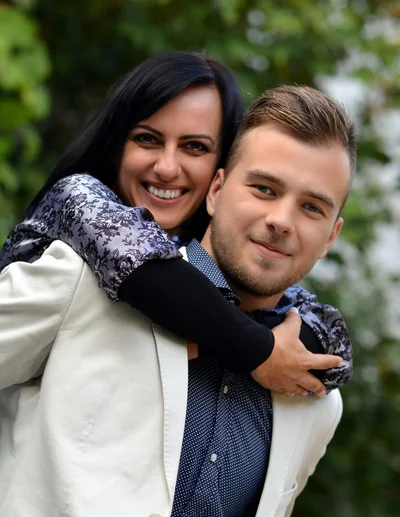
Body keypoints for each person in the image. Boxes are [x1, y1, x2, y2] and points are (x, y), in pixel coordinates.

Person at [0, 84, 355, 517]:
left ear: (332, 236)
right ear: (215, 190)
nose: (281, 221)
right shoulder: (84, 283)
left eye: (312, 208)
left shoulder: (315, 400)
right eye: (263, 189)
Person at [0, 51, 351, 396]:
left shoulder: (200, 266)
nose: (167, 167)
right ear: (117, 143)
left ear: (220, 173)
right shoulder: (77, 198)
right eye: (147, 139)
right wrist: (260, 351)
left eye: (194, 147)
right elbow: (143, 269)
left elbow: (332, 340)